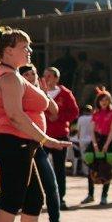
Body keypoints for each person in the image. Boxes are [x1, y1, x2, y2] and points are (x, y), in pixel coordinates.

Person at [0, 31, 71, 222]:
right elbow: (14, 115)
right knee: (11, 199)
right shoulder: (9, 77)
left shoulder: (13, 76)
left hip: (21, 144)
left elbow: (46, 108)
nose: (29, 51)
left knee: (34, 198)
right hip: (13, 143)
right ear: (8, 50)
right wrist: (47, 140)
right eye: (25, 47)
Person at [19, 65, 65, 222]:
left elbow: (54, 112)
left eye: (33, 73)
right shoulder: (15, 89)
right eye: (27, 74)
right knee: (14, 188)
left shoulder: (38, 93)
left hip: (38, 146)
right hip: (20, 145)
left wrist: (45, 94)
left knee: (51, 184)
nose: (31, 76)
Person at [41, 67, 79, 211]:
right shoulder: (40, 92)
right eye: (45, 76)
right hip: (43, 136)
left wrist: (60, 117)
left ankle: (60, 198)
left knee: (59, 168)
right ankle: (42, 196)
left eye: (50, 76)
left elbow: (74, 111)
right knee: (41, 168)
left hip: (60, 135)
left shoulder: (65, 93)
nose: (47, 79)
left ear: (57, 78)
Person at [81, 89, 112, 206]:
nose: (104, 102)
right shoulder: (95, 113)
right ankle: (90, 194)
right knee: (92, 169)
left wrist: (106, 145)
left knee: (108, 169)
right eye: (102, 100)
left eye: (106, 100)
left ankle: (104, 196)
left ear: (110, 101)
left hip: (108, 142)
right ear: (98, 101)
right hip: (96, 141)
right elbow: (92, 131)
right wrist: (95, 145)